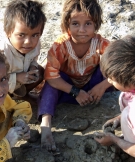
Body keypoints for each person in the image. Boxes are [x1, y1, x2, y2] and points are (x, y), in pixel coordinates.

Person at [38, 0, 113, 151]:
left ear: (96, 24)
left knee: (112, 69)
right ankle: (46, 124)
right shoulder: (60, 46)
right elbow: (52, 77)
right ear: (67, 25)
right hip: (67, 89)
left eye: (88, 23)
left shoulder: (101, 43)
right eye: (75, 24)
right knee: (50, 83)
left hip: (92, 86)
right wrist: (75, 92)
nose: (82, 30)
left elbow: (121, 67)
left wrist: (102, 86)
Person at [0, 0, 46, 99]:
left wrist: (33, 67)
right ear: (8, 32)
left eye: (35, 35)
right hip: (2, 88)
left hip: (21, 83)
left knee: (40, 72)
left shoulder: (36, 44)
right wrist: (17, 77)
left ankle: (22, 96)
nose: (28, 42)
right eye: (21, 35)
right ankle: (7, 102)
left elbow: (34, 58)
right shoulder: (1, 53)